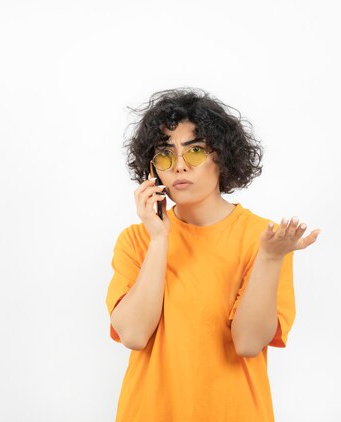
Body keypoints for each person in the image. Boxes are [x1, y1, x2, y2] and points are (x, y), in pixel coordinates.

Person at [105, 87, 321, 421]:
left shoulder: (263, 239)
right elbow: (133, 334)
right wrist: (159, 239)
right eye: (165, 154)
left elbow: (248, 343)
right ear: (151, 169)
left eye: (194, 152)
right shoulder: (137, 240)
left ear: (221, 155)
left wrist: (269, 258)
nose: (179, 167)